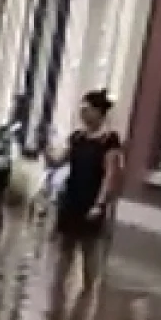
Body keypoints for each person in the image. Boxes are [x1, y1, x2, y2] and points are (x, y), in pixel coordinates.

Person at [47, 90, 125, 293]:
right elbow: (59, 160)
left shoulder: (109, 141)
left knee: (88, 249)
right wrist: (47, 153)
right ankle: (58, 292)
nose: (83, 113)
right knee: (65, 247)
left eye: (87, 109)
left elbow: (110, 174)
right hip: (71, 197)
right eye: (82, 109)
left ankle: (88, 292)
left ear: (99, 112)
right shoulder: (77, 138)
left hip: (91, 200)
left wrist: (99, 204)